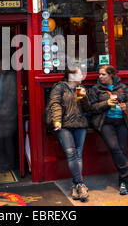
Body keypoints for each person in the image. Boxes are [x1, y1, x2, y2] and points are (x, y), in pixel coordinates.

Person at [88, 65, 128, 195]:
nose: (100, 77)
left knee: (122, 149)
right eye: (99, 74)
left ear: (111, 75)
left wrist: (126, 106)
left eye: (103, 74)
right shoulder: (96, 89)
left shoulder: (122, 87)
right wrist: (106, 104)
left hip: (121, 121)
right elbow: (91, 108)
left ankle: (123, 181)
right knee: (114, 147)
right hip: (105, 122)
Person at [48, 66, 90, 202]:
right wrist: (57, 121)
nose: (82, 76)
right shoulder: (59, 87)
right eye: (79, 74)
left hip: (80, 125)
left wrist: (84, 98)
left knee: (78, 154)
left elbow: (87, 109)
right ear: (71, 76)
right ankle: (80, 184)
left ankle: (76, 185)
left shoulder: (80, 89)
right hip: (64, 125)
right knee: (71, 153)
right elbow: (55, 104)